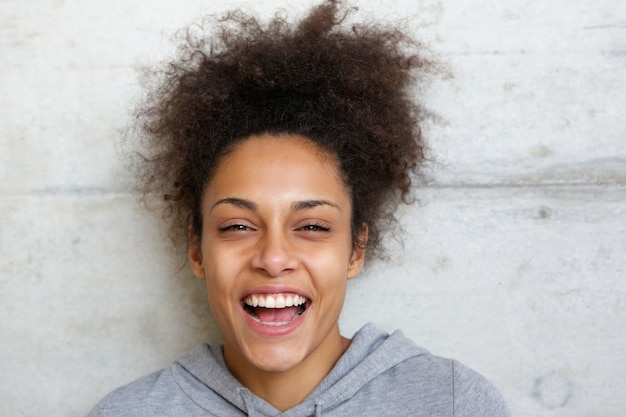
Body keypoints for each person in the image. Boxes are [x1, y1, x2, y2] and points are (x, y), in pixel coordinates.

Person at [87, 0, 511, 415]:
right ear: (197, 251)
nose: (273, 259)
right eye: (237, 226)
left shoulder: (452, 403)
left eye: (311, 226)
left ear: (356, 249)